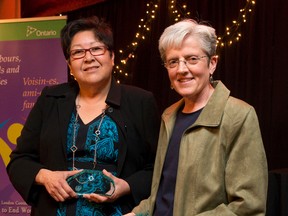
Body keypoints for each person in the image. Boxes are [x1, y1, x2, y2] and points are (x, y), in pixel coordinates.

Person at [6, 16, 160, 216]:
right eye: (78, 52)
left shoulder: (140, 102)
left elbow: (158, 168)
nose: (88, 58)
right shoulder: (51, 98)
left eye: (96, 49)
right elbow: (19, 161)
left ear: (112, 57)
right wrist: (45, 176)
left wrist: (127, 186)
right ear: (69, 65)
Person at [125, 19, 268, 216]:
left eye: (192, 59)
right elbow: (163, 195)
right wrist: (136, 213)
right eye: (173, 61)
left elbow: (247, 207)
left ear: (212, 63)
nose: (182, 69)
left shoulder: (239, 115)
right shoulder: (169, 115)